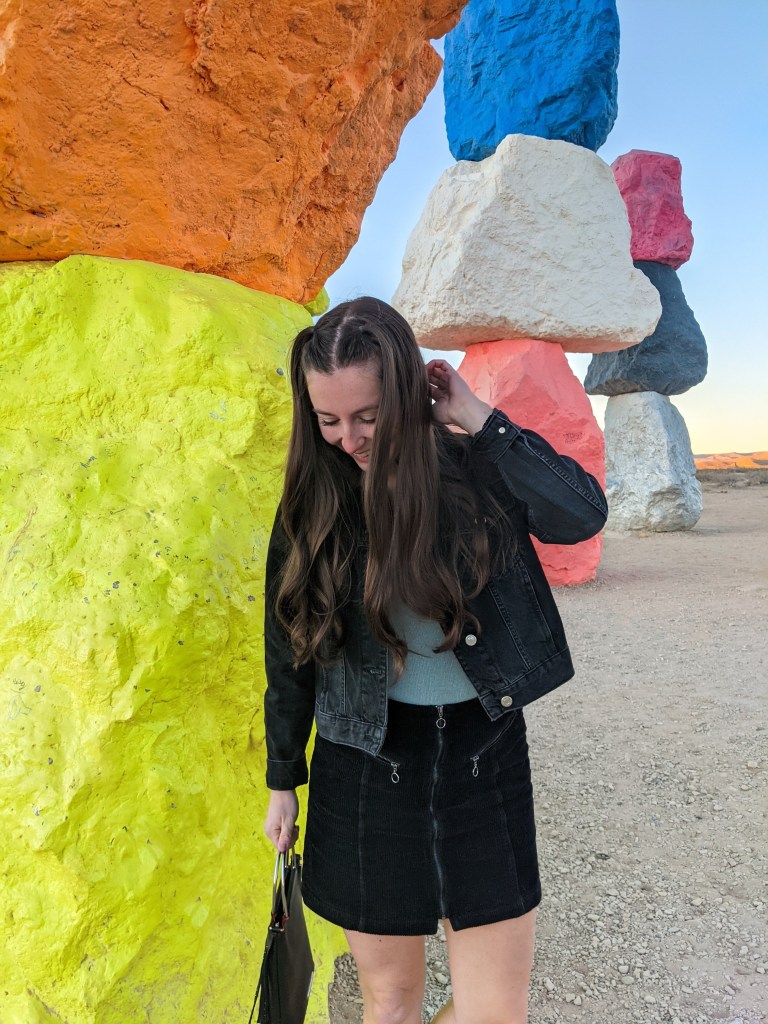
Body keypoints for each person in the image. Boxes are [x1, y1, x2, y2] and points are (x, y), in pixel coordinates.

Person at [262, 297, 607, 1024]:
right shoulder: (314, 501)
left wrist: (480, 418)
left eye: (369, 415)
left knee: (494, 1012)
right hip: (363, 767)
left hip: (482, 761)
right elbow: (288, 648)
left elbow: (580, 514)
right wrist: (283, 780)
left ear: (411, 392)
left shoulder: (475, 467)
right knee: (390, 1005)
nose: (348, 439)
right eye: (328, 420)